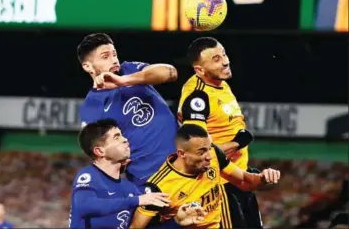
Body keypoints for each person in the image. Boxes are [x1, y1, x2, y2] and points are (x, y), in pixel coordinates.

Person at [177, 37, 263, 228]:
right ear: (200, 70)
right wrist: (238, 142)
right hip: (221, 186)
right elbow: (196, 151)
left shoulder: (221, 84)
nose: (225, 61)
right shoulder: (197, 97)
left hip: (239, 181)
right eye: (216, 59)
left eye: (223, 54)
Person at [77, 33, 179, 192]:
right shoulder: (92, 106)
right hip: (149, 181)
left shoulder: (129, 70)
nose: (114, 60)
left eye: (114, 54)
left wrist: (125, 80)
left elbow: (170, 73)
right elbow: (99, 153)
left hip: (185, 164)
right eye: (105, 57)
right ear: (88, 67)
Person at [130, 124, 281, 228]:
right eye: (201, 152)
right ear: (182, 154)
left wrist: (263, 178)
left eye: (209, 148)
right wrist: (176, 222)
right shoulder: (159, 187)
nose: (209, 156)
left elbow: (243, 181)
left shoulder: (214, 155)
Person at [70, 119, 206, 229]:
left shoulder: (130, 189)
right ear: (100, 151)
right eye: (116, 137)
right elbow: (84, 206)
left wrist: (176, 222)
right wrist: (137, 200)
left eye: (122, 135)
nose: (125, 139)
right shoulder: (89, 175)